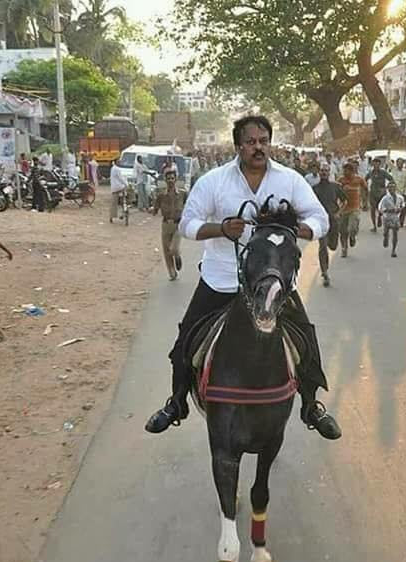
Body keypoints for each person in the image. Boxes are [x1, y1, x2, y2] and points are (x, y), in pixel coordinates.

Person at [144, 115, 341, 441]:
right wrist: (221, 228)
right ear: (238, 145)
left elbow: (319, 219)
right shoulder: (214, 181)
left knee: (306, 338)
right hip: (222, 279)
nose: (258, 147)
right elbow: (188, 224)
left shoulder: (290, 180)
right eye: (251, 142)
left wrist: (297, 230)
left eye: (263, 140)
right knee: (184, 340)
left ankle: (311, 406)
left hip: (274, 283)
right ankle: (177, 402)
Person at [313, 164, 347, 286]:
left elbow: (345, 201)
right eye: (322, 170)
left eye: (326, 171)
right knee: (322, 246)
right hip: (320, 222)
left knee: (332, 246)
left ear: (329, 173)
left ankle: (330, 246)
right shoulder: (314, 189)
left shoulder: (335, 187)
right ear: (319, 172)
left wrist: (339, 213)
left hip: (333, 220)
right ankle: (325, 272)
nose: (323, 173)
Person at [153, 170, 187, 281]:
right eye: (168, 179)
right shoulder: (161, 195)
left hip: (178, 224)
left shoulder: (182, 193)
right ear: (165, 180)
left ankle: (177, 257)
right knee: (167, 250)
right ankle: (172, 273)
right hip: (166, 224)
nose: (170, 181)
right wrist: (152, 210)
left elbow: (189, 205)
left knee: (174, 249)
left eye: (172, 178)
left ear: (176, 179)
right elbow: (155, 209)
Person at [337, 162, 367, 257]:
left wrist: (365, 202)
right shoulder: (340, 180)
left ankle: (352, 236)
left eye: (346, 170)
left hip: (355, 207)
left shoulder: (359, 179)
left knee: (352, 228)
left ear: (352, 171)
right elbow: (335, 192)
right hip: (343, 208)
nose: (344, 172)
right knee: (342, 231)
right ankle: (344, 248)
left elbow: (366, 189)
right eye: (344, 170)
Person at [378, 181, 404, 257]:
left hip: (396, 217)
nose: (392, 189)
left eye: (393, 187)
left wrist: (400, 209)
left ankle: (393, 250)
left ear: (396, 188)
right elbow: (380, 208)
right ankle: (385, 237)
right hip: (387, 217)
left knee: (395, 233)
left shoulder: (400, 197)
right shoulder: (385, 198)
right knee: (386, 232)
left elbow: (403, 205)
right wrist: (386, 211)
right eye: (390, 187)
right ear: (388, 189)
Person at [366, 158, 393, 232]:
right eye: (374, 164)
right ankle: (374, 226)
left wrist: (387, 187)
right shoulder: (371, 172)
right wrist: (365, 188)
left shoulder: (383, 172)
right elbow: (365, 179)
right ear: (373, 164)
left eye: (378, 164)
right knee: (372, 209)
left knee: (380, 209)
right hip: (373, 193)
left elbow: (391, 179)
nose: (376, 166)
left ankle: (379, 217)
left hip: (381, 193)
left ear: (380, 165)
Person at [389, 158, 406, 226]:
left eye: (401, 163)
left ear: (403, 163)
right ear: (396, 163)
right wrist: (388, 151)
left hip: (402, 193)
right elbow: (388, 162)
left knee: (402, 208)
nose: (399, 164)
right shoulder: (394, 169)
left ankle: (401, 222)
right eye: (398, 162)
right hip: (394, 192)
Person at [109, 158, 129, 223]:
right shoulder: (117, 169)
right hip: (120, 187)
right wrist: (126, 184)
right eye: (118, 161)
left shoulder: (112, 168)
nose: (119, 162)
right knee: (124, 200)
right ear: (115, 162)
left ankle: (112, 216)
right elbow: (121, 178)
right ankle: (124, 212)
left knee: (113, 203)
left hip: (114, 188)